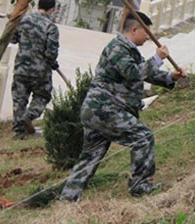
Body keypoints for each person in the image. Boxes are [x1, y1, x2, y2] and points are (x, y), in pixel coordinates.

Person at [60, 11, 186, 201]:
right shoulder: (117, 48)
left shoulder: (128, 50)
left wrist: (171, 77)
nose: (148, 37)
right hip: (105, 109)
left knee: (91, 156)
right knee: (143, 137)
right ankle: (139, 186)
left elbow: (146, 73)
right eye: (147, 33)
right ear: (135, 30)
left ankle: (68, 198)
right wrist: (158, 58)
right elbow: (133, 73)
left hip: (99, 110)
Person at [10, 0, 59, 140]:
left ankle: (19, 131)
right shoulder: (51, 27)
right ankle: (28, 116)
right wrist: (53, 62)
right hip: (41, 71)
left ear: (37, 6)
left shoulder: (23, 20)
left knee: (19, 99)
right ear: (52, 10)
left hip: (21, 68)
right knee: (42, 96)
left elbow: (13, 39)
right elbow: (51, 52)